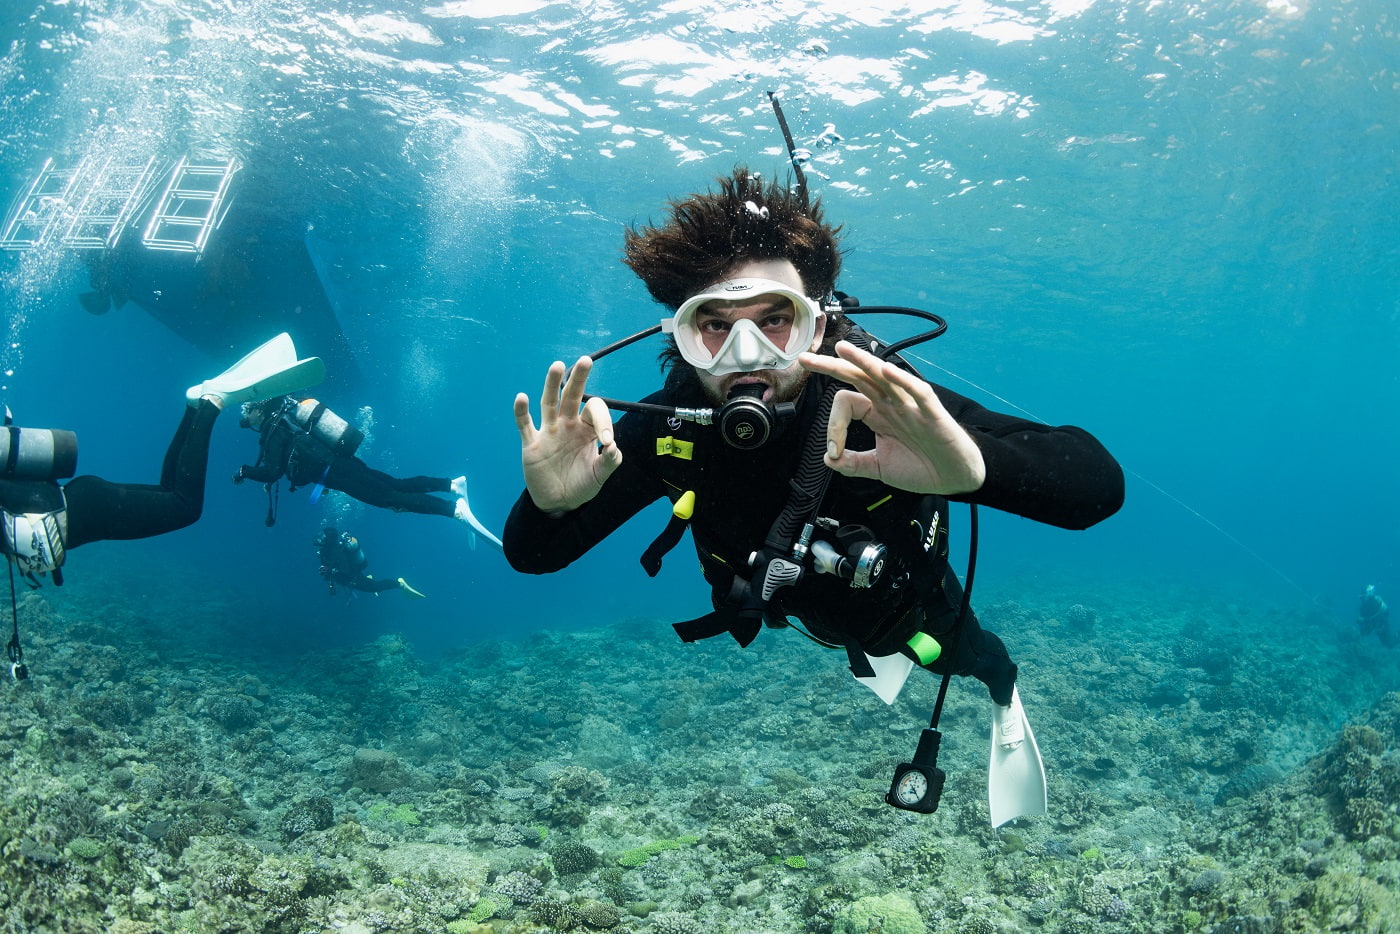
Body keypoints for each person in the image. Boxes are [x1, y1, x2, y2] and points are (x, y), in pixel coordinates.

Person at [503, 168, 1125, 820]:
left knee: (959, 652)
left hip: (901, 606)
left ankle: (1004, 687)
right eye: (713, 325)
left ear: (820, 323)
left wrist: (975, 466)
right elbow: (533, 555)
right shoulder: (669, 429)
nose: (747, 357)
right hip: (784, 600)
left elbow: (1097, 486)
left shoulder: (877, 404)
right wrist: (551, 503)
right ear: (682, 338)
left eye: (778, 320)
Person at [1, 332, 323, 677]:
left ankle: (212, 405)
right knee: (169, 489)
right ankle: (194, 406)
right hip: (79, 502)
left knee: (185, 507)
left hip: (82, 515)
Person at [232, 394, 501, 547]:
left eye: (248, 408)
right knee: (396, 485)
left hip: (337, 473)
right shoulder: (285, 421)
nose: (246, 415)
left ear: (260, 408)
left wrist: (244, 471)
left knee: (390, 499)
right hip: (341, 466)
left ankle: (453, 511)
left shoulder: (274, 428)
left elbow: (272, 472)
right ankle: (451, 485)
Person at [314, 526, 424, 598]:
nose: (319, 538)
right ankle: (368, 579)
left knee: (375, 587)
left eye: (322, 536)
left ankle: (400, 584)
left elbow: (346, 571)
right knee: (370, 585)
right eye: (320, 535)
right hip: (348, 580)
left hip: (354, 578)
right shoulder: (326, 551)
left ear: (329, 539)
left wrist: (331, 570)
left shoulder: (337, 551)